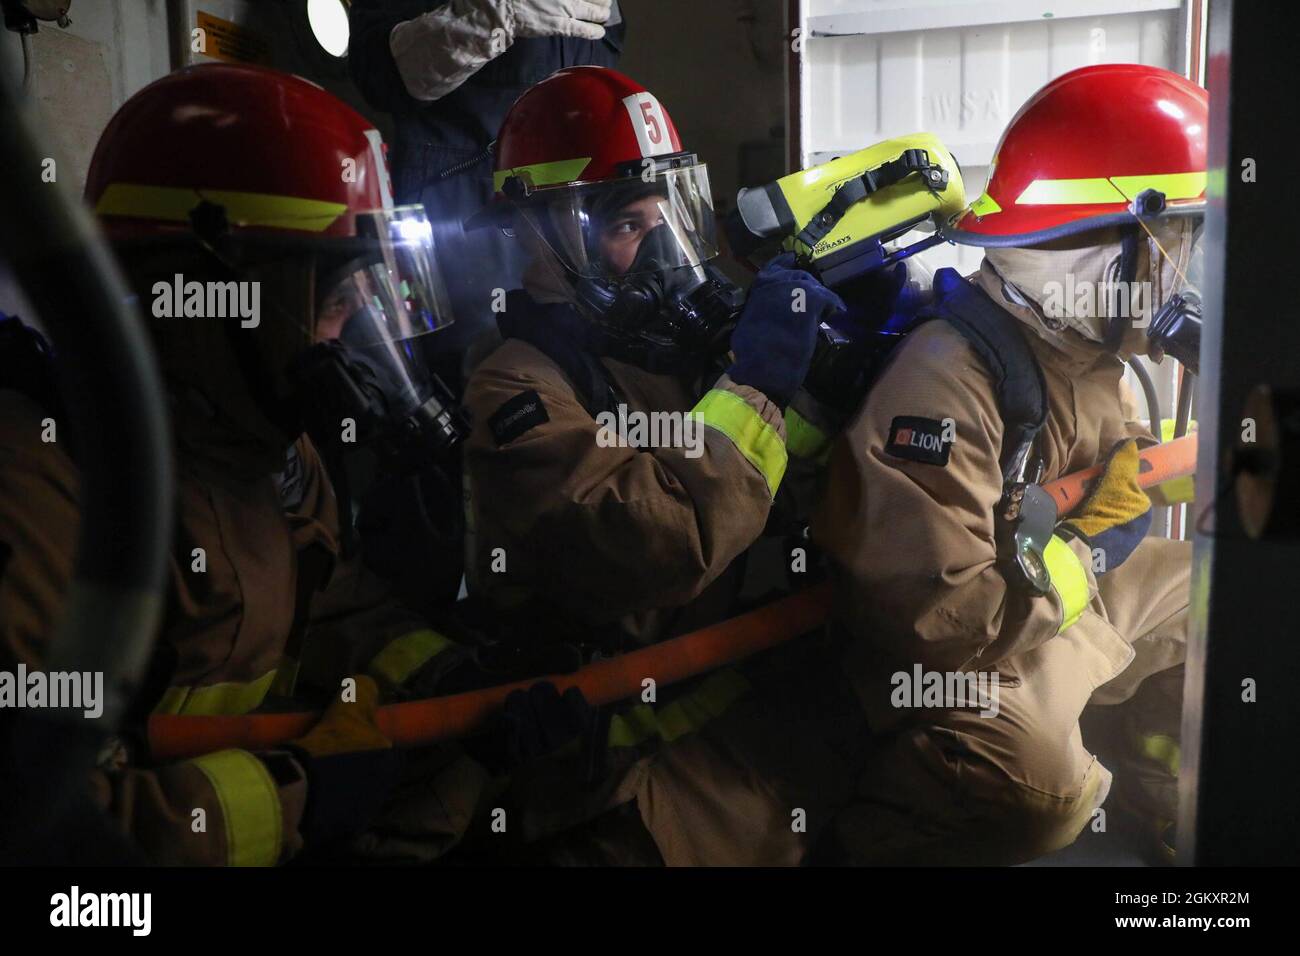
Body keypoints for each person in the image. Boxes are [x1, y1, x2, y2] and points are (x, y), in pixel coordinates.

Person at [0, 63, 489, 865]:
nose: (361, 345)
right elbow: (53, 833)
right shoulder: (39, 489)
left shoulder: (271, 451)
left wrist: (452, 677)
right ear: (205, 294)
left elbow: (330, 613)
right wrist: (299, 797)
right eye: (337, 303)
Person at [458, 65, 859, 864]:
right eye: (627, 227)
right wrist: (752, 385)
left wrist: (852, 370)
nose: (663, 255)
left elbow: (788, 483)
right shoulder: (515, 386)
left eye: (665, 219)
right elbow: (659, 545)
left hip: (734, 730)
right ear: (538, 235)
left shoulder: (660, 351)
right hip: (612, 783)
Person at [810, 64, 1205, 864]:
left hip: (1050, 597)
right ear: (1102, 246)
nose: (1186, 273)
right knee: (1033, 788)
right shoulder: (947, 377)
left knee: (1215, 605)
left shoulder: (1081, 344)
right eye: (1179, 241)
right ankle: (873, 839)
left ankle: (1149, 808)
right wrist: (1091, 547)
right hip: (971, 643)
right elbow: (938, 621)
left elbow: (1103, 484)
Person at [347, 0, 626, 374]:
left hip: (570, 221)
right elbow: (377, 70)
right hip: (458, 220)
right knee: (462, 384)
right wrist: (494, 15)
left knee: (575, 380)